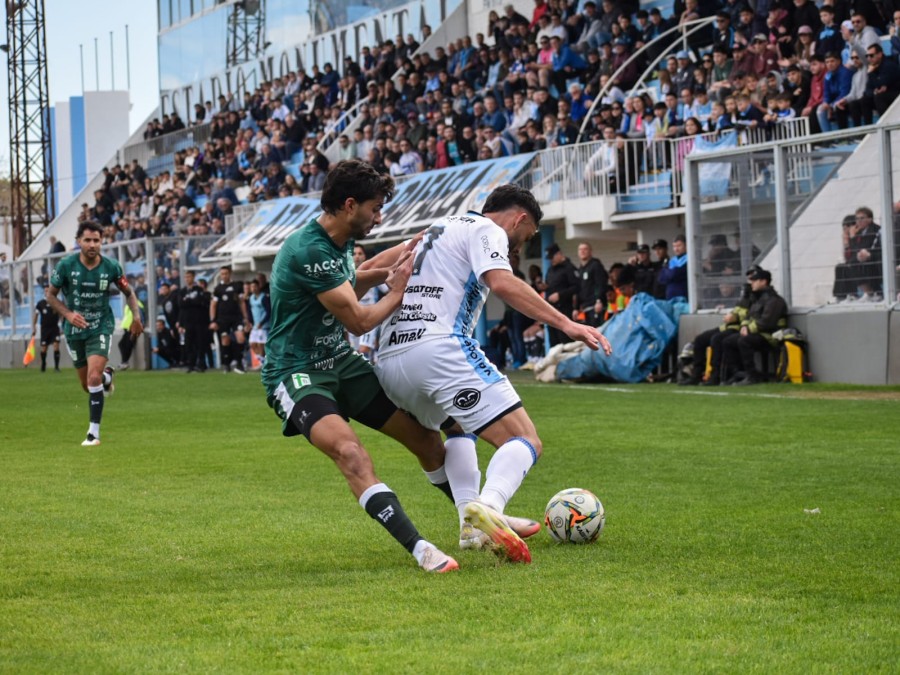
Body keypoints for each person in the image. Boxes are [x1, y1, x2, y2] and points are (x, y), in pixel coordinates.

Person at [374, 184, 611, 564]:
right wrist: (568, 325)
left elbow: (376, 269)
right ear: (519, 219)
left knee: (457, 427)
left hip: (390, 362)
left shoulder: (437, 228)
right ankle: (490, 506)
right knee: (525, 438)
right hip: (438, 348)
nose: (520, 246)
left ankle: (470, 526)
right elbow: (501, 282)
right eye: (527, 235)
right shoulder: (488, 230)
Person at [260, 159, 459, 574]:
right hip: (297, 373)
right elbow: (359, 320)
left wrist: (395, 264)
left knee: (427, 440)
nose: (379, 216)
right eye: (375, 208)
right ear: (350, 205)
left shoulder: (340, 240)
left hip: (342, 364)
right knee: (350, 452)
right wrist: (398, 289)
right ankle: (421, 548)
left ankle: (477, 518)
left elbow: (353, 280)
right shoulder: (309, 249)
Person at [46, 221, 144, 446]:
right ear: (78, 241)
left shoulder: (111, 267)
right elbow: (50, 295)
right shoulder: (65, 265)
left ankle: (93, 434)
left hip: (100, 326)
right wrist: (69, 315)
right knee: (87, 385)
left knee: (93, 378)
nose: (92, 244)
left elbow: (129, 293)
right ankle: (107, 377)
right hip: (74, 329)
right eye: (88, 240)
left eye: (97, 240)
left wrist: (137, 317)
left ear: (102, 242)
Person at [680, 269, 757, 386]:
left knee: (717, 339)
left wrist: (735, 317)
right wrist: (731, 316)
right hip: (728, 326)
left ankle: (715, 375)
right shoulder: (745, 296)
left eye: (753, 279)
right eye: (750, 279)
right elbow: (738, 310)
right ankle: (696, 375)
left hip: (738, 328)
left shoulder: (757, 297)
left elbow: (751, 315)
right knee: (700, 339)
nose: (750, 282)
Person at [721, 268, 788, 385]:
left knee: (744, 341)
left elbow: (767, 322)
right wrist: (744, 326)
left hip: (770, 336)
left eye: (755, 280)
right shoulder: (759, 299)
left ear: (764, 281)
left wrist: (748, 329)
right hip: (757, 334)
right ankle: (738, 374)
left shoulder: (775, 300)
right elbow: (748, 316)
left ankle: (752, 376)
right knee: (728, 341)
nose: (751, 283)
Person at [832, 206, 882, 300]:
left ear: (870, 219)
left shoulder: (874, 230)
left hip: (873, 257)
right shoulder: (860, 232)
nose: (859, 221)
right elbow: (853, 252)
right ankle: (842, 296)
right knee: (841, 267)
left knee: (853, 263)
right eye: (857, 219)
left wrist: (853, 238)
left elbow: (864, 247)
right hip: (861, 257)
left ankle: (871, 292)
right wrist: (847, 243)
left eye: (862, 218)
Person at [210, 266, 250, 373]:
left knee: (240, 338)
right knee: (225, 340)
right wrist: (213, 320)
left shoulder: (237, 286)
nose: (224, 276)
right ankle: (226, 364)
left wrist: (245, 317)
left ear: (230, 273)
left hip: (236, 317)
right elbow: (213, 305)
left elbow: (241, 302)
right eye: (222, 274)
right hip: (223, 318)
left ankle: (239, 362)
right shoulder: (218, 289)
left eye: (226, 273)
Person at [543, 243, 580, 346]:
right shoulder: (551, 270)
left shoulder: (569, 268)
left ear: (559, 254)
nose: (551, 260)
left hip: (565, 309)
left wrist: (560, 295)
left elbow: (576, 287)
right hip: (552, 310)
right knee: (554, 342)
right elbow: (550, 285)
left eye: (552, 257)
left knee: (565, 341)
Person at [574, 241, 608, 327]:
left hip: (595, 306)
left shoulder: (595, 265)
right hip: (585, 307)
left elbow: (600, 284)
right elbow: (579, 289)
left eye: (585, 249)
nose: (582, 251)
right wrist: (576, 308)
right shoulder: (580, 269)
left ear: (590, 252)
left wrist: (599, 300)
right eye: (580, 249)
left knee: (597, 332)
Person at [32, 285, 61, 372]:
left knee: (56, 346)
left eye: (48, 290)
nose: (47, 292)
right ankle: (43, 363)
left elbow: (62, 313)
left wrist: (62, 324)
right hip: (44, 329)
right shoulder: (40, 304)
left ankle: (56, 367)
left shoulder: (56, 302)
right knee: (44, 348)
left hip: (54, 328)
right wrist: (34, 327)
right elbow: (36, 316)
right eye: (45, 290)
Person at [247, 278, 270, 369]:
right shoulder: (251, 298)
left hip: (264, 325)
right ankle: (262, 361)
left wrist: (262, 322)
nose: (253, 288)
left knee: (261, 344)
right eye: (252, 287)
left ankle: (262, 364)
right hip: (255, 325)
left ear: (258, 287)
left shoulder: (264, 297)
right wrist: (250, 322)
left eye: (255, 286)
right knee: (252, 343)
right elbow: (250, 311)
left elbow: (268, 311)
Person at [657, 233, 688, 299]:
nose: (676, 249)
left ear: (686, 246)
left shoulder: (689, 260)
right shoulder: (671, 261)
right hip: (670, 297)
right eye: (674, 246)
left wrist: (666, 270)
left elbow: (674, 274)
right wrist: (671, 272)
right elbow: (661, 278)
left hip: (684, 296)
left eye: (679, 246)